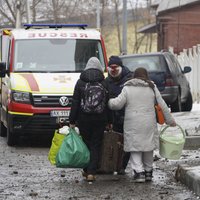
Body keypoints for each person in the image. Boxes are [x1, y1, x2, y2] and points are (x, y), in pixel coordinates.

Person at [108, 67, 176, 183]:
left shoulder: (128, 88)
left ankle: (139, 173)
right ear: (146, 76)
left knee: (135, 148)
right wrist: (170, 121)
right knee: (148, 147)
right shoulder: (152, 87)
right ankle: (148, 172)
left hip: (132, 123)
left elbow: (117, 105)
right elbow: (163, 105)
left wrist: (109, 101)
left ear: (134, 76)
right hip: (148, 123)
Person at [69, 57, 112, 183]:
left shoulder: (80, 82)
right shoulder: (104, 82)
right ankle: (91, 173)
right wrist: (110, 121)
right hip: (100, 119)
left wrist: (72, 120)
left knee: (86, 143)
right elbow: (108, 104)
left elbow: (75, 102)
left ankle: (86, 169)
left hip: (84, 119)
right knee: (96, 144)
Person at [105, 55, 132, 174]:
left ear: (120, 67)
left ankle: (122, 166)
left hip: (128, 117)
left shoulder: (129, 80)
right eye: (111, 67)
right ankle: (112, 165)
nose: (113, 70)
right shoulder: (106, 81)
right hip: (113, 118)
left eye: (115, 67)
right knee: (114, 142)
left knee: (127, 143)